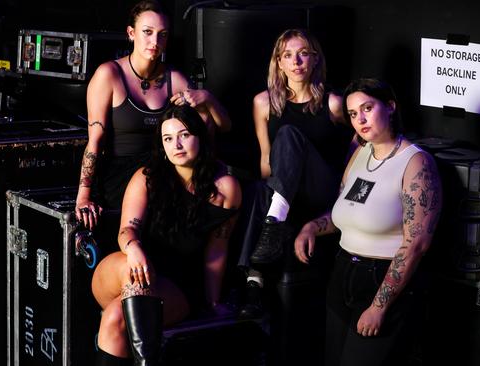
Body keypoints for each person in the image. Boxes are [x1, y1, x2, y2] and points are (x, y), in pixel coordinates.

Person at [294, 78, 442, 366]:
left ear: (389, 106)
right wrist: (312, 226)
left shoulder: (416, 163)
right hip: (343, 273)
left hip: (381, 279)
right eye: (352, 113)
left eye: (367, 108)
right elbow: (344, 214)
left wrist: (379, 306)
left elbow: (416, 245)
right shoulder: (361, 153)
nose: (359, 119)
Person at [90, 104, 241, 365]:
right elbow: (127, 229)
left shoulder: (225, 189)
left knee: (115, 319)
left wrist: (213, 302)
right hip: (126, 265)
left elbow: (217, 249)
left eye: (184, 135)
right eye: (168, 138)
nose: (177, 145)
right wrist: (134, 247)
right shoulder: (147, 177)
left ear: (200, 137)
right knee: (132, 270)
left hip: (176, 286)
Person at [75, 0, 230, 230]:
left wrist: (206, 98)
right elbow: (95, 141)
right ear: (131, 33)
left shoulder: (174, 79)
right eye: (147, 32)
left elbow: (221, 126)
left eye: (162, 34)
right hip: (122, 176)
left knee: (204, 127)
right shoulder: (109, 74)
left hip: (165, 168)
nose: (155, 42)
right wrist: (83, 196)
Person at [237, 28, 354, 317]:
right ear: (279, 63)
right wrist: (271, 194)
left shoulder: (333, 103)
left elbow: (361, 139)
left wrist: (346, 178)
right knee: (256, 190)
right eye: (288, 55)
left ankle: (274, 220)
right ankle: (254, 284)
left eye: (303, 54)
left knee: (288, 134)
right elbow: (266, 161)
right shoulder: (263, 103)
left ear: (315, 60)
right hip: (286, 193)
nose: (296, 61)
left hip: (321, 189)